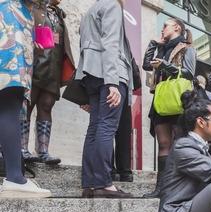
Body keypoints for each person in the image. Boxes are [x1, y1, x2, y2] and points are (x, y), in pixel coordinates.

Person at [75, 0, 134, 198]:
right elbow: (110, 43)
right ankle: (104, 184)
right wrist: (112, 82)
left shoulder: (90, 11)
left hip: (90, 75)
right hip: (108, 73)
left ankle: (90, 184)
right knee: (107, 127)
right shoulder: (112, 6)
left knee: (95, 128)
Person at [0, 0, 51, 198]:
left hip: (9, 24)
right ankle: (14, 177)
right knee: (8, 104)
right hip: (10, 26)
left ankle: (15, 176)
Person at [142, 17, 196, 198]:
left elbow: (189, 74)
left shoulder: (187, 47)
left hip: (179, 99)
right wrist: (152, 44)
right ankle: (161, 189)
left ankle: (181, 187)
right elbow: (145, 65)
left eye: (165, 25)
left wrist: (167, 66)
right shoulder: (162, 48)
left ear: (177, 28)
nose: (162, 29)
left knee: (180, 143)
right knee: (163, 143)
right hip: (161, 99)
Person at [20, 0, 75, 165]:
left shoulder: (58, 14)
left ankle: (43, 151)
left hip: (54, 66)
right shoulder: (32, 7)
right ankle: (22, 148)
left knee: (46, 105)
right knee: (27, 104)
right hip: (36, 63)